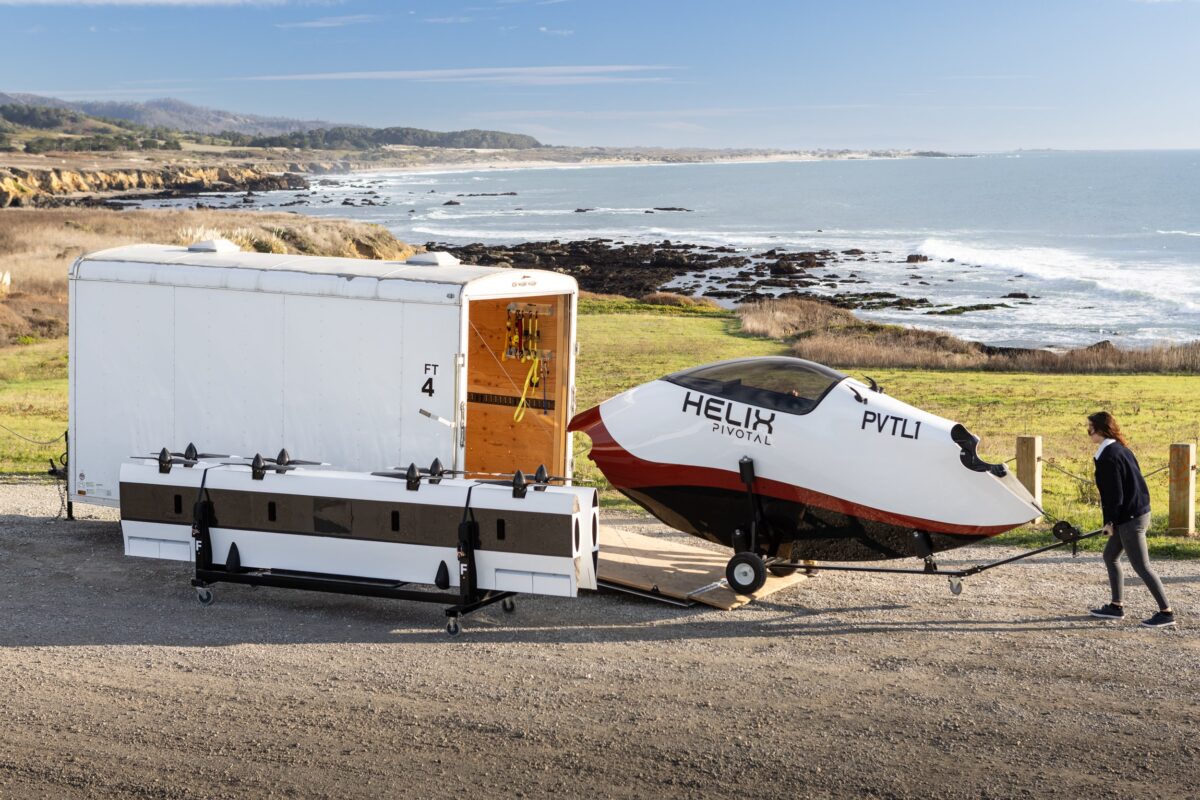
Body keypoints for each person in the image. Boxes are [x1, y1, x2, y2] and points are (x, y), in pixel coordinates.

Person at [1085, 411, 1176, 628]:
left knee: (1141, 566)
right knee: (1110, 556)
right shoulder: (1120, 448)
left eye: (1089, 427)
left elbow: (1113, 495)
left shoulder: (1108, 455)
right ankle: (1116, 606)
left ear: (1099, 429)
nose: (1087, 432)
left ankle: (1166, 612)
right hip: (1136, 512)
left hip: (1131, 518)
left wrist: (1109, 522)